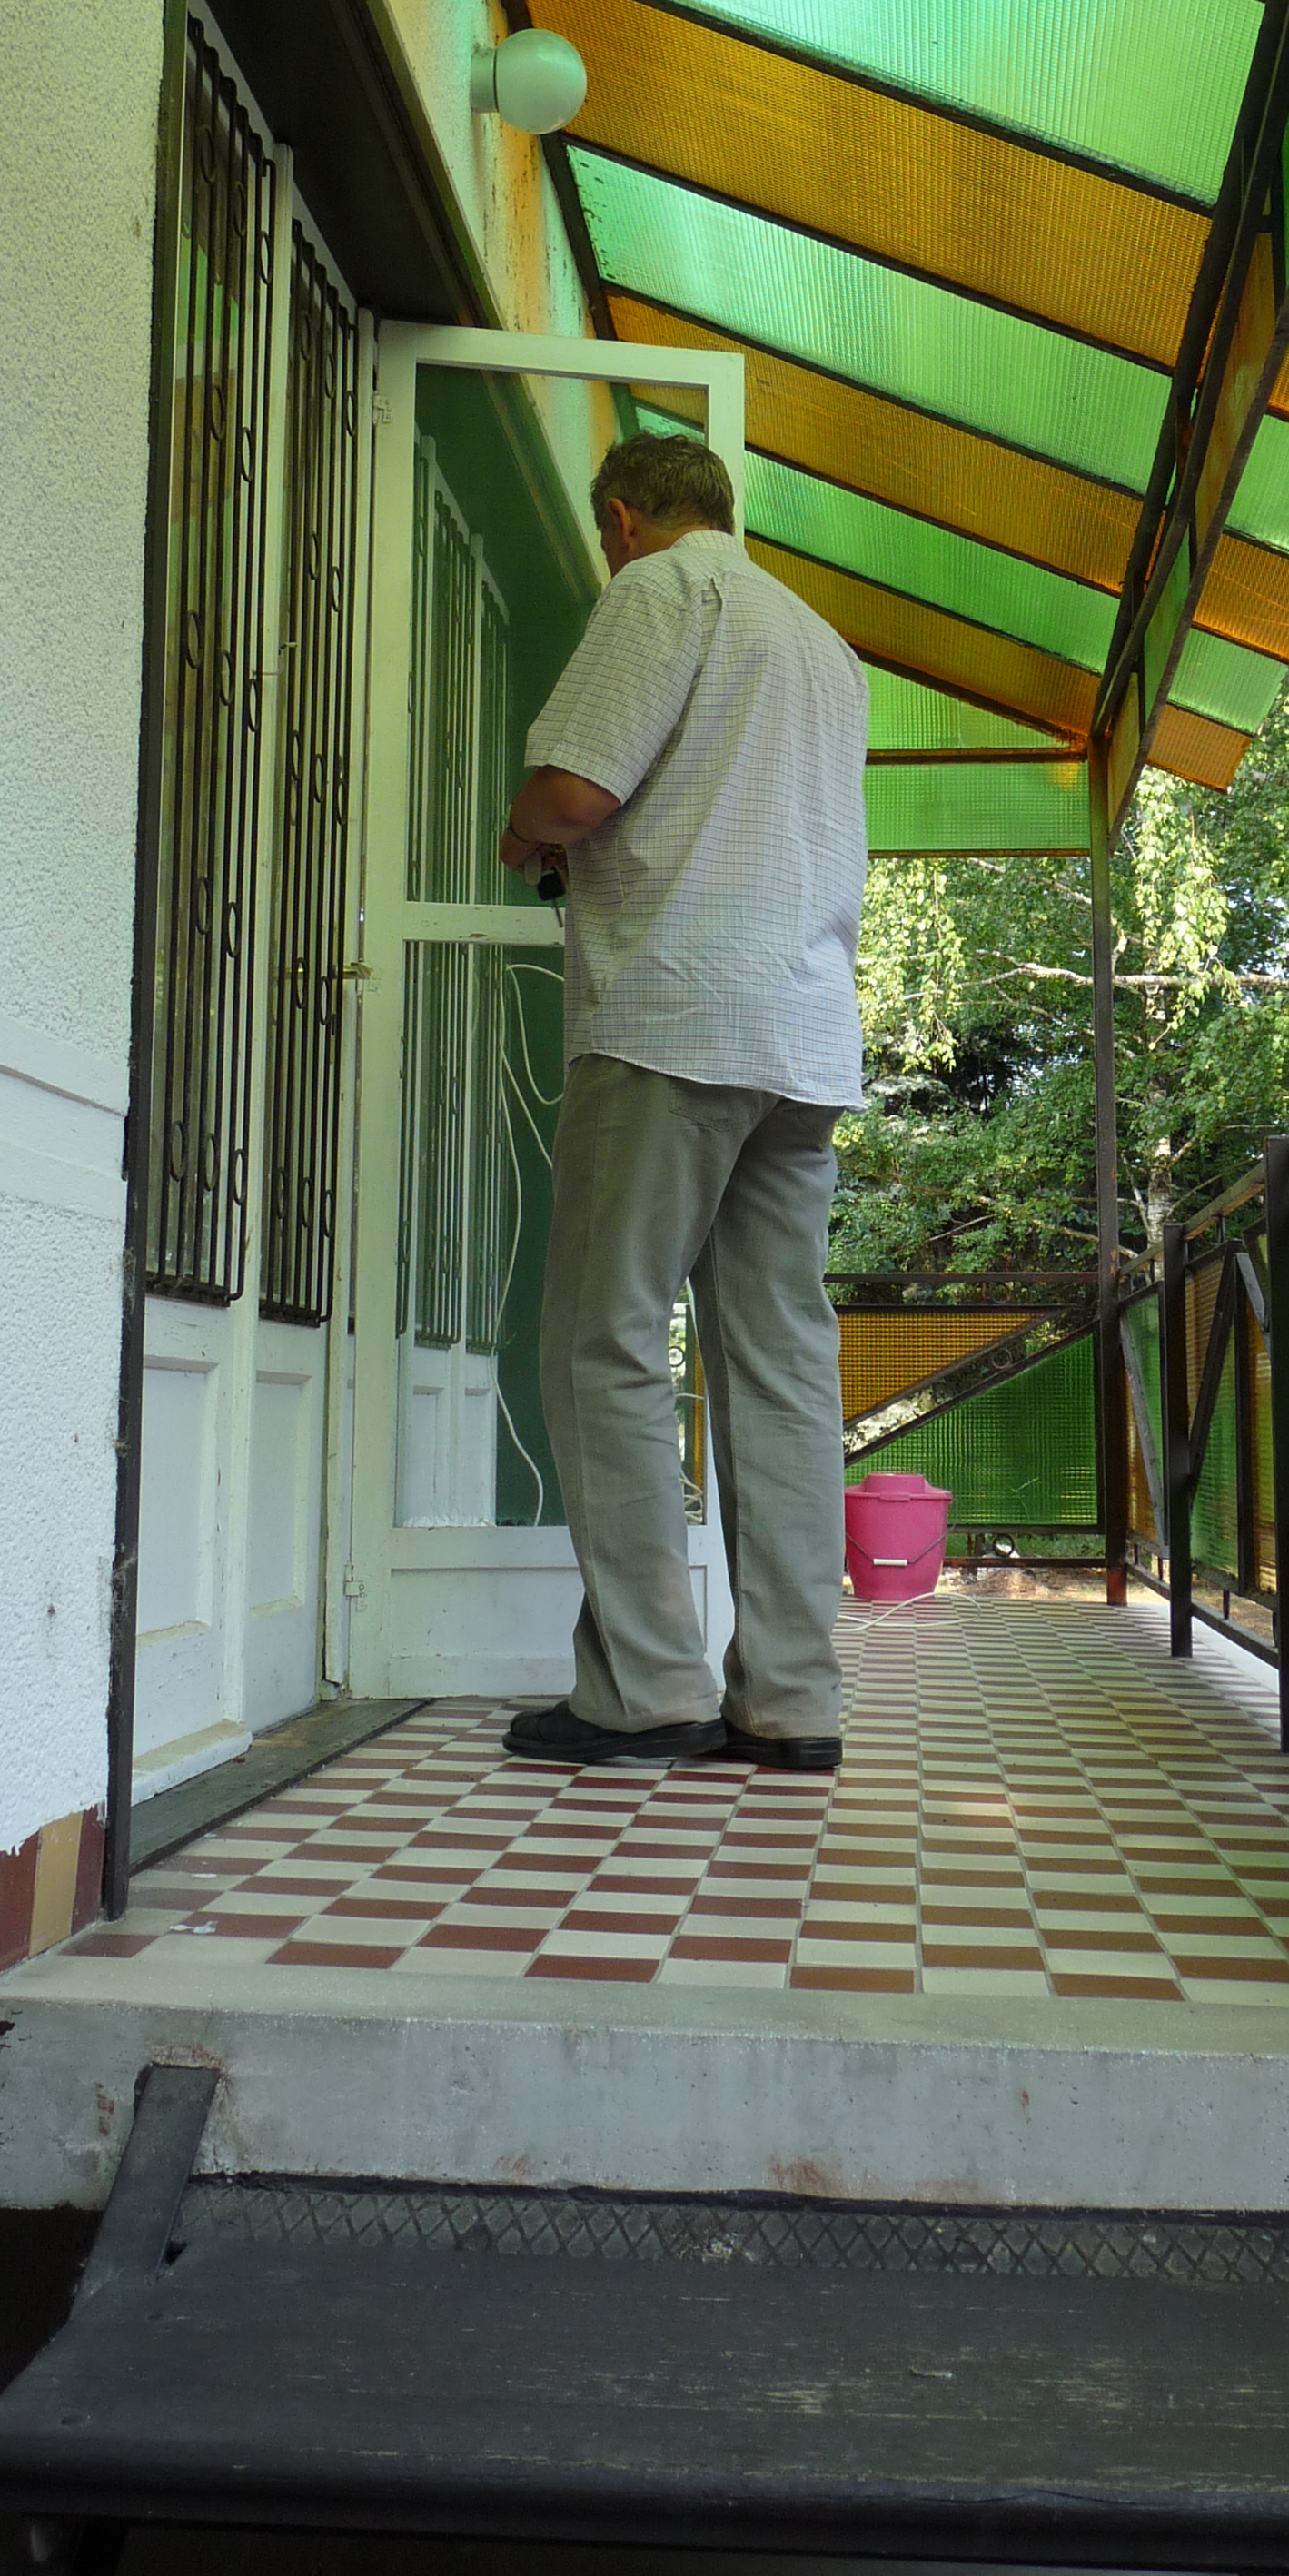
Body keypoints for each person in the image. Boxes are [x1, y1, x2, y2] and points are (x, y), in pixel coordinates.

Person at [496, 428, 868, 1774]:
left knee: (602, 1337)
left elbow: (578, 788)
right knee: (780, 1365)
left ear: (621, 521)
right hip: (801, 1036)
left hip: (672, 1016)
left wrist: (525, 827)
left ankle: (646, 1686)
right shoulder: (820, 643)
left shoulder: (661, 591)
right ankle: (793, 1697)